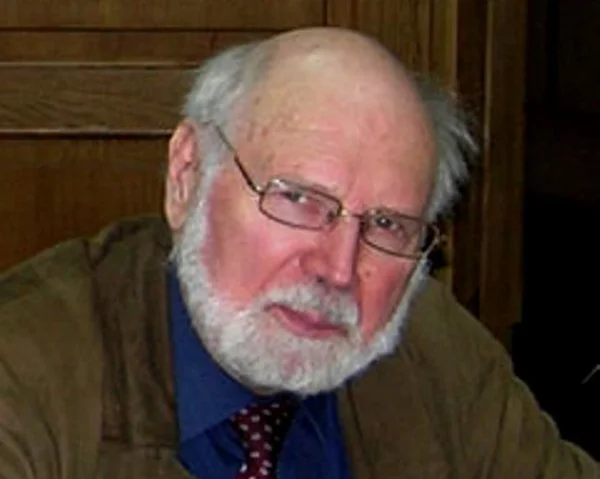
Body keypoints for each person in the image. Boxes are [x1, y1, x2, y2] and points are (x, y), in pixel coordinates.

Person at [0, 27, 596, 479]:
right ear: (187, 177)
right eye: (299, 199)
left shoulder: (437, 353)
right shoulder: (25, 370)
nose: (338, 270)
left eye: (387, 224)